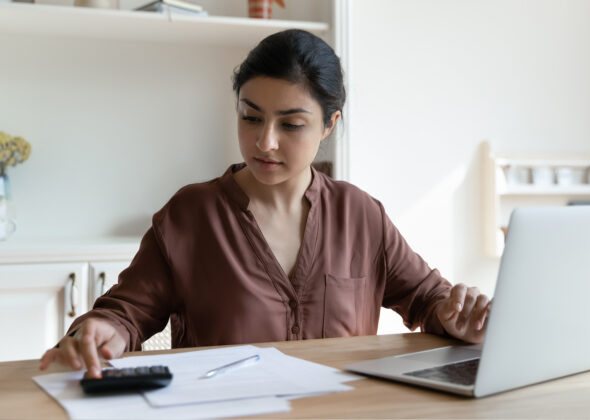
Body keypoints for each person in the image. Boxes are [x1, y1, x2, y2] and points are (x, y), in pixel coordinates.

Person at [40, 29, 491, 379]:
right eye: (250, 116)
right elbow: (126, 313)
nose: (265, 142)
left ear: (329, 124)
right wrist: (100, 332)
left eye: (291, 124)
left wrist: (457, 317)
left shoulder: (361, 214)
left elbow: (428, 299)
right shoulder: (191, 215)